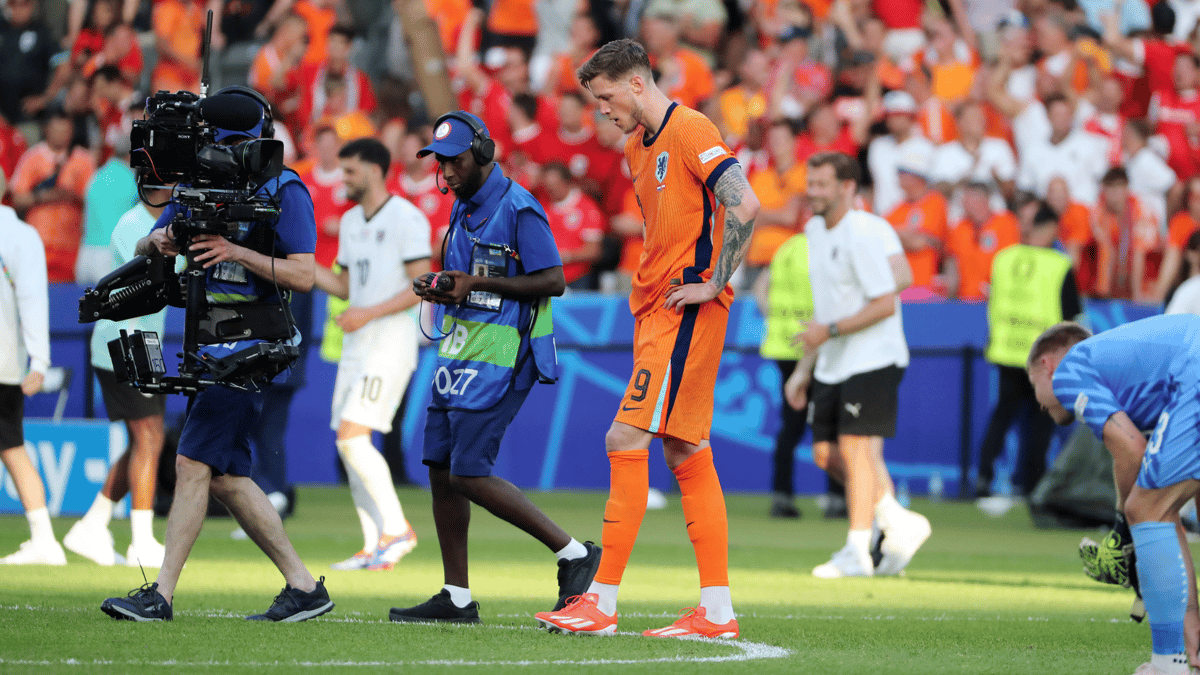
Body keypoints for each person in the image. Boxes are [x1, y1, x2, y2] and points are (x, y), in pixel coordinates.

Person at [537, 38, 761, 639]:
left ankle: (601, 601)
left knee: (625, 435)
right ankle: (716, 612)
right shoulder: (637, 146)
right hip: (655, 309)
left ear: (637, 83)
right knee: (685, 449)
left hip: (684, 307)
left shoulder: (690, 129)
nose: (602, 110)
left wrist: (714, 281)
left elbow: (744, 204)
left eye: (606, 97)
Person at [100, 89, 333, 622]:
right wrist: (159, 242)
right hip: (208, 345)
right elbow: (147, 242)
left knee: (190, 462)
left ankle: (161, 595)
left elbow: (304, 274)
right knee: (226, 477)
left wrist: (236, 251)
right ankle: (304, 587)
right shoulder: (198, 185)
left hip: (251, 344)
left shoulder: (285, 188)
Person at [388, 110, 600, 624]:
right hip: (461, 354)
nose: (447, 171)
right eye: (440, 162)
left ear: (483, 154)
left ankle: (574, 553)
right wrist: (443, 284)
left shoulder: (519, 208)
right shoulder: (461, 208)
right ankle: (456, 597)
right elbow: (468, 278)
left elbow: (553, 281)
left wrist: (475, 284)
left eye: (455, 161)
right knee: (441, 469)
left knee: (467, 472)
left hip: (506, 358)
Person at [783, 151, 931, 579]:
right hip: (834, 357)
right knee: (826, 455)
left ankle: (858, 548)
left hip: (874, 355)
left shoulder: (867, 231)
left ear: (848, 187)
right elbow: (827, 304)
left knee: (856, 449)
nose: (813, 192)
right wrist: (804, 368)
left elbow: (891, 294)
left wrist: (832, 328)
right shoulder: (814, 230)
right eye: (810, 183)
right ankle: (897, 521)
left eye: (822, 184)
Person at [1027, 315, 1200, 675]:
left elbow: (1132, 451)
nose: (1039, 402)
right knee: (1158, 510)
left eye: (1033, 384)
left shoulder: (1068, 373)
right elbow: (1160, 499)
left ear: (1047, 365)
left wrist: (1125, 527)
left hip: (1194, 369)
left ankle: (1169, 664)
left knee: (1147, 510)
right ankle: (1194, 649)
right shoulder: (1129, 376)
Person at [313, 137, 426, 571]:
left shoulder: (406, 218)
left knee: (352, 436)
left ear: (375, 171)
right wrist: (300, 265)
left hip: (389, 344)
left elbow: (421, 285)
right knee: (348, 444)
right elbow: (345, 286)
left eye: (350, 171)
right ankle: (373, 545)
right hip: (357, 346)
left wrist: (367, 313)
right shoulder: (350, 221)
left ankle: (396, 529)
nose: (342, 179)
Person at [63, 189, 173, 568]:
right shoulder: (132, 225)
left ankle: (92, 525)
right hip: (123, 341)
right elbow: (146, 290)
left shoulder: (166, 222)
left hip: (144, 342)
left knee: (147, 440)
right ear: (159, 185)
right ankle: (141, 543)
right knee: (150, 438)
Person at [974, 203, 1081, 502]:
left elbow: (994, 301)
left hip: (1007, 349)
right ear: (1050, 228)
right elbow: (1072, 314)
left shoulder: (1004, 258)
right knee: (1040, 420)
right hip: (1043, 356)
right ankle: (1032, 484)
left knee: (1003, 415)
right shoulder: (1059, 264)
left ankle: (983, 476)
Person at [0, 172, 63, 566]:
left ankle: (44, 540)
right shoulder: (20, 235)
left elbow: (32, 299)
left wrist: (39, 360)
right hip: (5, 363)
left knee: (12, 448)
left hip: (4, 362)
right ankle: (43, 538)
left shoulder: (19, 237)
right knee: (12, 448)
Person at [752, 231, 813, 519]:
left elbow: (759, 288)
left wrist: (774, 316)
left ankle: (781, 494)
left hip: (782, 345)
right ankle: (839, 499)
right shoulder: (826, 248)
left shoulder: (786, 248)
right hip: (815, 344)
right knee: (829, 422)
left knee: (790, 423)